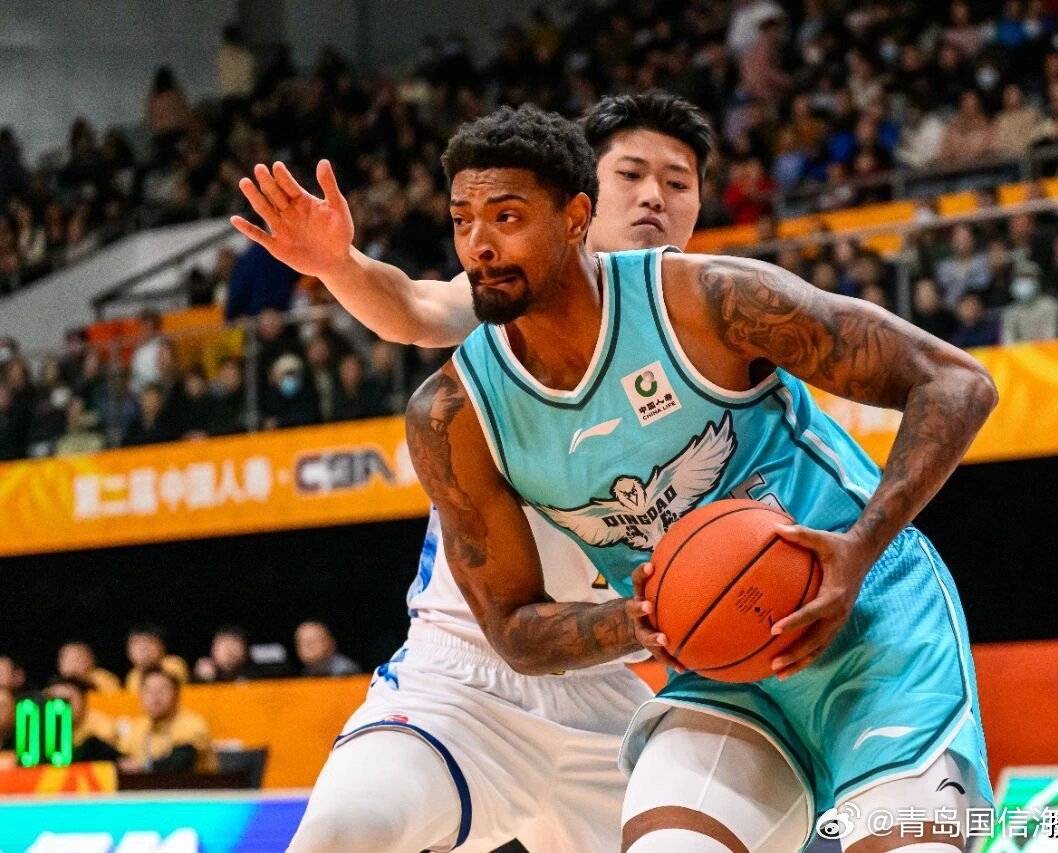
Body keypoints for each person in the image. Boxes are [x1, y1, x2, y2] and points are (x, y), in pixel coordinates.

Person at [409, 105, 994, 851]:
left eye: (507, 217)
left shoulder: (705, 299)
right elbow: (514, 629)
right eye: (463, 221)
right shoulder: (453, 414)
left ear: (575, 217)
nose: (479, 245)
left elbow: (955, 382)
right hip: (722, 662)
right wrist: (641, 621)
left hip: (872, 619)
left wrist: (858, 549)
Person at [233, 93, 709, 852]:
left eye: (677, 182)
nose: (654, 195)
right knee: (339, 834)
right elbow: (415, 307)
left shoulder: (711, 324)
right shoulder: (514, 294)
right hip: (464, 677)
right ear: (580, 201)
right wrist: (338, 265)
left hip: (606, 681)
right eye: (631, 174)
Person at [117, 668, 215, 773]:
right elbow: (122, 760)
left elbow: (180, 762)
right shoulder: (137, 727)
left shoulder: (193, 725)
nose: (155, 697)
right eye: (148, 690)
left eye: (162, 690)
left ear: (177, 694)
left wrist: (144, 766)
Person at [45, 677, 121, 762]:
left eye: (66, 700)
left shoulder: (102, 726)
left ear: (83, 701)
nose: (59, 706)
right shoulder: (43, 727)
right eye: (52, 700)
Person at [123, 625, 189, 694]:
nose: (143, 648)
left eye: (149, 641)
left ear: (162, 646)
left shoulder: (173, 665)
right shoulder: (132, 676)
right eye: (136, 643)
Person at [193, 626, 264, 683]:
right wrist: (201, 679)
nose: (229, 652)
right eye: (223, 645)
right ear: (212, 649)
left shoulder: (257, 678)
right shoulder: (202, 676)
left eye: (235, 645)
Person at [294, 621, 360, 677]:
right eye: (301, 642)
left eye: (312, 641)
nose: (307, 647)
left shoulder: (345, 671)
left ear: (330, 642)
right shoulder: (307, 672)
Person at [57, 641, 121, 694]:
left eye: (77, 660)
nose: (72, 665)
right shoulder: (57, 686)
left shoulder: (102, 680)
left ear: (90, 661)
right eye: (68, 660)